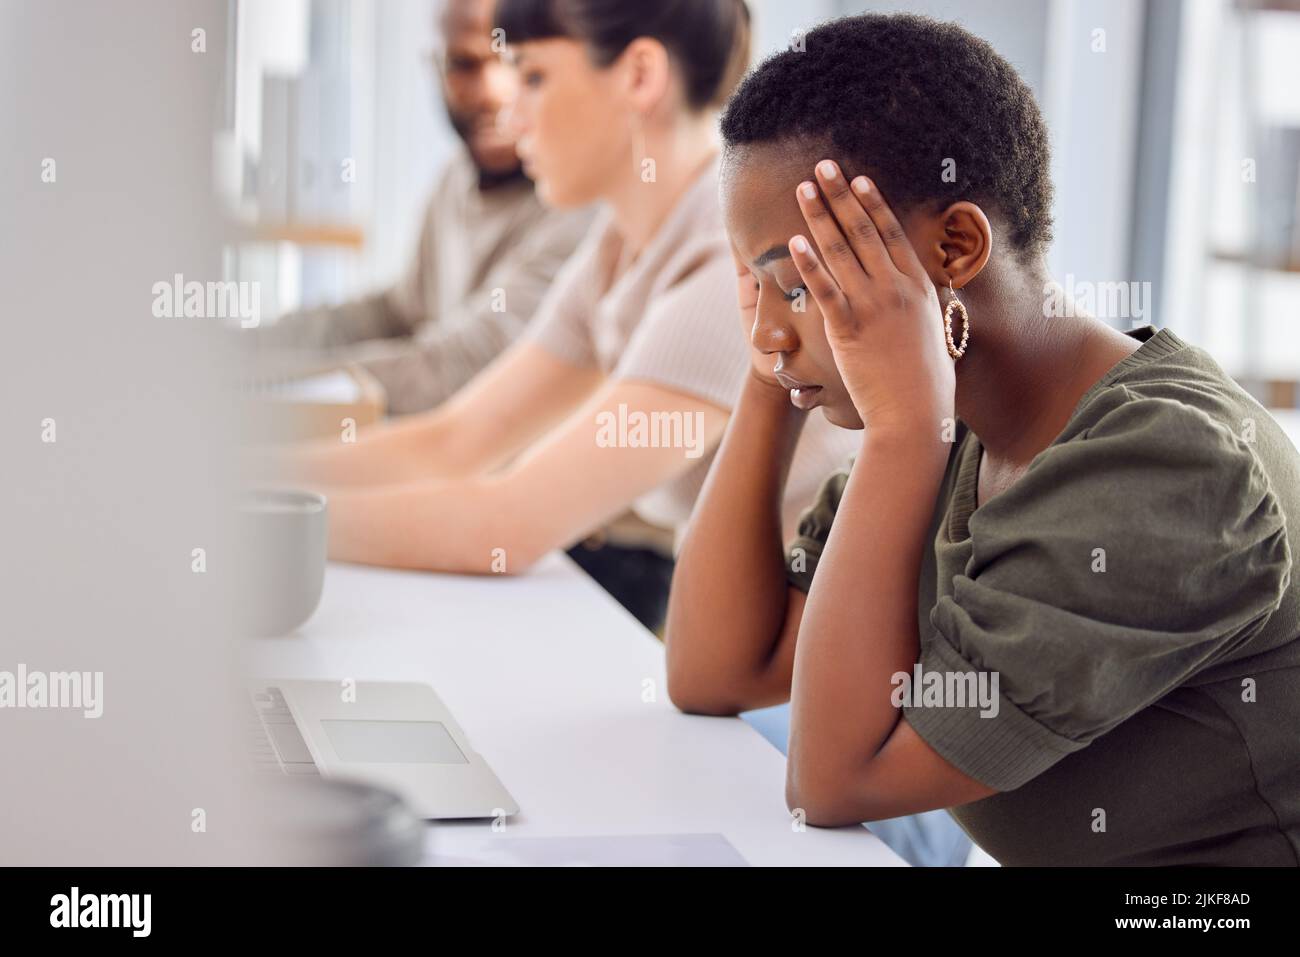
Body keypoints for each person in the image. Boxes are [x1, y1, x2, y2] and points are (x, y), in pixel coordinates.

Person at [664, 13, 1300, 866]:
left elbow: (835, 779)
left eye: (799, 282)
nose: (769, 330)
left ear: (956, 245)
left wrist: (899, 433)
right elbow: (717, 669)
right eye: (758, 286)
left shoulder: (1170, 466)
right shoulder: (959, 426)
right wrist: (774, 362)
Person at [271, 0, 857, 636]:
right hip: (750, 622)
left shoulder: (728, 258)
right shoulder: (619, 241)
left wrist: (254, 520)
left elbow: (509, 524)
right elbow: (455, 439)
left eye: (531, 76)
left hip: (813, 646)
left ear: (638, 76)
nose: (508, 110)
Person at [255, 0, 593, 415]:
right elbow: (399, 312)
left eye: (515, 64)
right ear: (436, 66)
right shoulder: (458, 177)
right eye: (464, 64)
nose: (492, 92)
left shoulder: (581, 203)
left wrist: (263, 381)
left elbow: (455, 371)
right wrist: (245, 347)